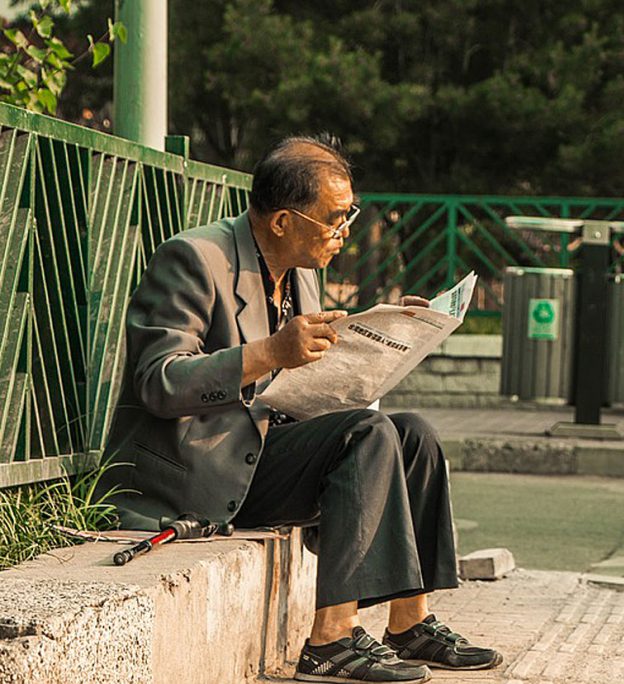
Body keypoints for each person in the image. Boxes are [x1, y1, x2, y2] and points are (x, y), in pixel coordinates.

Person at [100, 134, 501, 683]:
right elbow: (158, 380)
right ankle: (330, 640)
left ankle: (409, 623)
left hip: (267, 446)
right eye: (334, 218)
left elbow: (303, 364)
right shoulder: (194, 258)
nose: (345, 231)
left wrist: (387, 330)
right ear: (284, 220)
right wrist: (266, 353)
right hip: (207, 467)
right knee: (368, 433)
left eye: (348, 214)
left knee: (414, 434)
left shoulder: (300, 269)